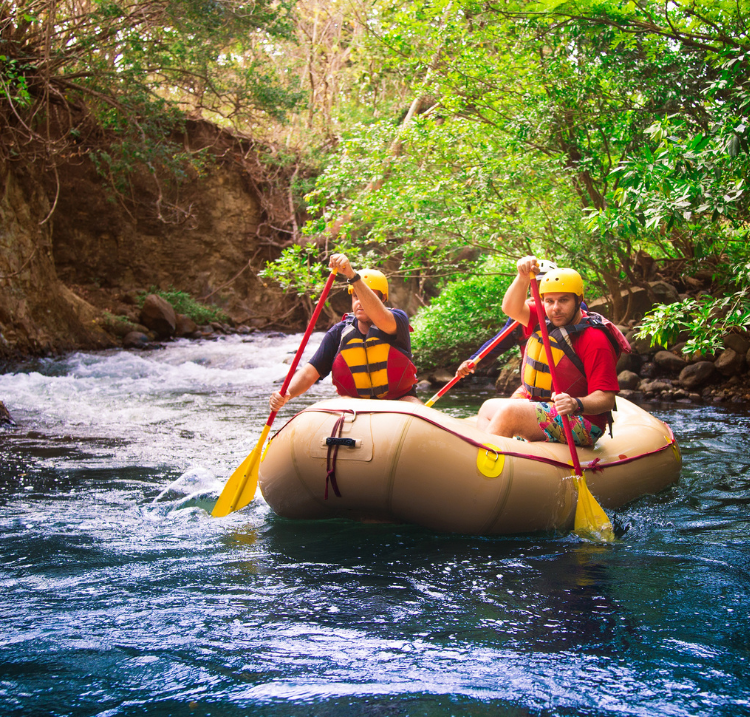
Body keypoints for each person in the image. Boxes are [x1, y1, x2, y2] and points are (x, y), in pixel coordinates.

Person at [476, 256, 629, 447]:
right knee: (488, 407)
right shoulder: (542, 318)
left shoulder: (595, 339)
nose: (556, 308)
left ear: (578, 300)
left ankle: (486, 462)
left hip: (583, 420)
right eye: (549, 301)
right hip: (545, 405)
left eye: (563, 300)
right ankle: (493, 457)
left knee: (511, 412)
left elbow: (606, 399)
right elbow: (510, 308)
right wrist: (522, 276)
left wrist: (575, 403)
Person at [269, 253, 421, 411]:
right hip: (354, 407)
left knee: (412, 402)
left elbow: (381, 318)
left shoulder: (397, 319)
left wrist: (352, 276)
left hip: (400, 402)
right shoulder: (338, 332)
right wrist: (287, 393)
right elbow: (309, 373)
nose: (360, 302)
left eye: (366, 296)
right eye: (356, 296)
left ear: (382, 299)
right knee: (340, 403)